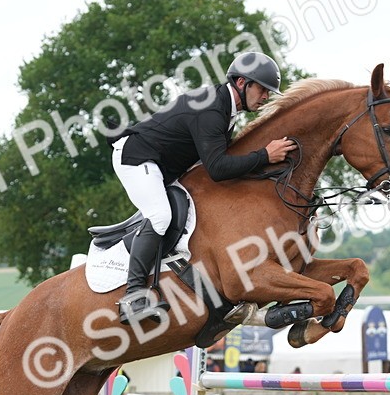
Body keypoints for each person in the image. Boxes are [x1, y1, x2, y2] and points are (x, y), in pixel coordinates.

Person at [110, 51, 296, 323]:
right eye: (263, 89)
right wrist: (265, 156)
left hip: (165, 165)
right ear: (242, 83)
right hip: (136, 158)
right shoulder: (211, 110)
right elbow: (218, 169)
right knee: (161, 215)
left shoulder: (225, 107)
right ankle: (133, 296)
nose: (266, 96)